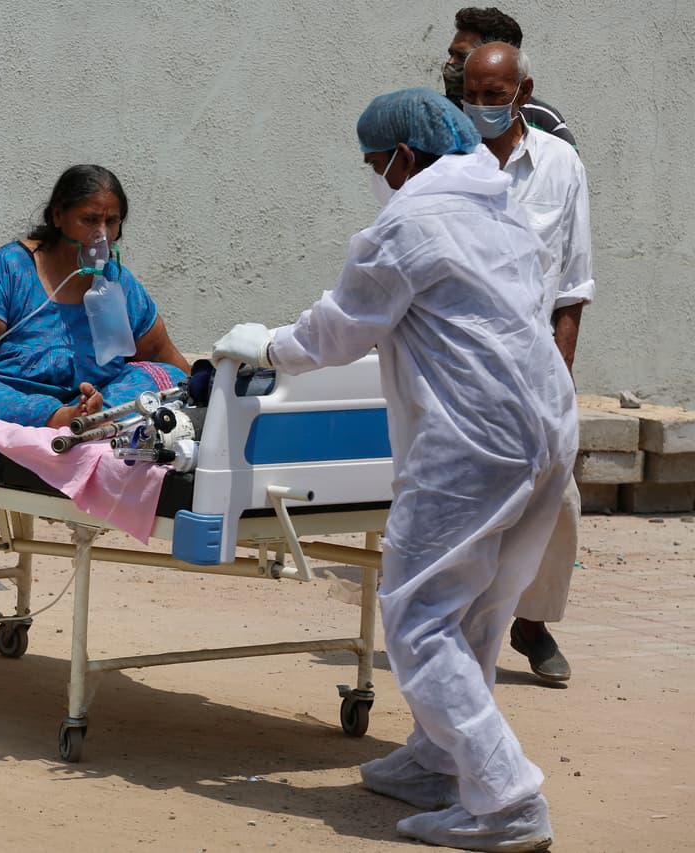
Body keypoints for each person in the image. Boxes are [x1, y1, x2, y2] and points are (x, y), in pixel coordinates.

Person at [213, 89, 574, 851]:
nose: (374, 175)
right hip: (545, 424)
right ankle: (439, 760)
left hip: (472, 438)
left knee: (417, 616)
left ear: (403, 159)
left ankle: (506, 796)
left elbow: (340, 330)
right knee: (475, 606)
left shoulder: (407, 221)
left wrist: (267, 345)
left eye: (375, 163)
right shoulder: (498, 203)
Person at [0, 165, 189, 449]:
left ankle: (94, 418)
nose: (102, 235)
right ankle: (62, 419)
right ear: (58, 216)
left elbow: (166, 358)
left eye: (111, 221)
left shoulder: (116, 283)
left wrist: (210, 392)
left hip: (91, 399)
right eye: (90, 220)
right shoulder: (10, 272)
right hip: (11, 395)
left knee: (162, 375)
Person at [463, 41, 593, 683]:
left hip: (535, 364)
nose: (483, 108)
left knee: (557, 500)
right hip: (462, 363)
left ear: (524, 89)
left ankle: (531, 623)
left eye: (495, 95)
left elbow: (572, 286)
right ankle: (458, 628)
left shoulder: (561, 166)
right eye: (474, 96)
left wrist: (560, 377)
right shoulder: (450, 165)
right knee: (468, 500)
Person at [442, 6, 578, 149]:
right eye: (451, 54)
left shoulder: (541, 120)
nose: (450, 63)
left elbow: (569, 167)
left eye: (462, 56)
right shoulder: (438, 116)